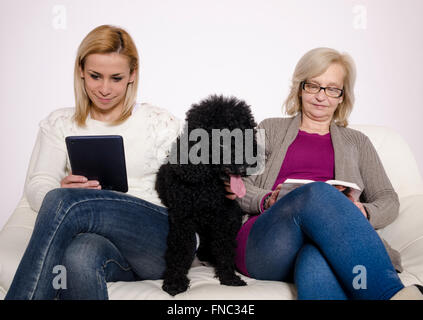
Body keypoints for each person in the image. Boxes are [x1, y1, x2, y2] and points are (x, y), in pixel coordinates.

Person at [5, 25, 183, 299]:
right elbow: (38, 183)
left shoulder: (158, 122)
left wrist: (65, 199)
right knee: (80, 255)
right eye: (95, 76)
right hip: (107, 248)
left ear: (132, 75)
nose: (104, 89)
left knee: (63, 200)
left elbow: (191, 186)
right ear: (80, 71)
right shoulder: (60, 123)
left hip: (157, 239)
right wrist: (64, 190)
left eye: (116, 78)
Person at [230, 47, 423, 300]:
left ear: (342, 96)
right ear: (301, 88)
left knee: (316, 257)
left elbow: (388, 199)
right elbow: (237, 187)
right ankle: (390, 295)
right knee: (317, 191)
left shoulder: (358, 142)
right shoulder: (269, 128)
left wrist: (363, 211)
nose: (322, 96)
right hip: (266, 242)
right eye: (313, 86)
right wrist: (269, 199)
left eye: (332, 89)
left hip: (327, 241)